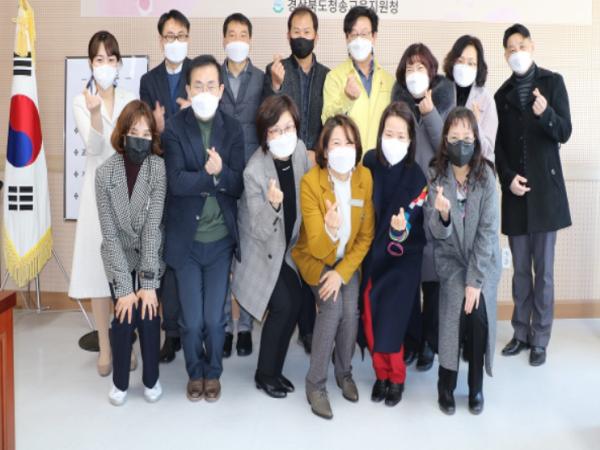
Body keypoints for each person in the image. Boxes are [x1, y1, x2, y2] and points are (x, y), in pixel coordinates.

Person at [162, 55, 245, 402]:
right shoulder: (174, 128)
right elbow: (176, 182)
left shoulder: (233, 128)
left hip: (220, 241)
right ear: (188, 89)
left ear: (221, 90)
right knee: (192, 321)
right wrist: (211, 178)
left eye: (212, 85)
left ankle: (213, 373)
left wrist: (221, 173)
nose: (205, 91)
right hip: (187, 242)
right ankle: (194, 372)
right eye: (198, 85)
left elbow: (237, 184)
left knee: (214, 320)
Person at [495, 24, 572, 366]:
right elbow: (498, 149)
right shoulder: (501, 96)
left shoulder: (553, 83)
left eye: (521, 46)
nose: (517, 53)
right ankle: (520, 333)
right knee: (520, 273)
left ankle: (540, 337)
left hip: (545, 195)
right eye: (510, 49)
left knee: (545, 272)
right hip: (515, 194)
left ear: (532, 46)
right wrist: (507, 179)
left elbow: (565, 131)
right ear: (505, 54)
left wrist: (546, 114)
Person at [292, 115, 375, 420]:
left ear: (357, 148)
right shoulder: (310, 182)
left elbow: (365, 237)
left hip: (346, 261)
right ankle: (315, 383)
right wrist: (330, 228)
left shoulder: (364, 178)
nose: (343, 149)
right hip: (316, 259)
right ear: (325, 151)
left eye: (349, 143)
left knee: (351, 310)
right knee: (333, 307)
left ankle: (344, 372)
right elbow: (315, 246)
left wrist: (341, 273)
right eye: (336, 143)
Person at [231, 95, 311, 398]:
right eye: (275, 130)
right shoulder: (254, 171)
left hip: (286, 248)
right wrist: (273, 205)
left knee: (295, 300)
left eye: (288, 127)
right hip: (259, 252)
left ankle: (274, 370)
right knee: (284, 304)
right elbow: (260, 230)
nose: (282, 135)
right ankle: (265, 374)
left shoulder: (300, 151)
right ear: (265, 134)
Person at [425, 107, 501, 415]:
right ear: (445, 140)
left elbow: (488, 233)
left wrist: (475, 281)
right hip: (451, 261)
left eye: (467, 137)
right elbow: (434, 231)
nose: (461, 143)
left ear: (476, 140)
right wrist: (443, 215)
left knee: (478, 314)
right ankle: (446, 382)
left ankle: (475, 385)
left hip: (483, 263)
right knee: (453, 309)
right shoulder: (436, 176)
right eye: (454, 137)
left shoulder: (487, 177)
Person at [69, 31, 137, 377]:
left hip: (128, 191)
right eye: (99, 59)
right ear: (90, 64)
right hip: (97, 197)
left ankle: (127, 342)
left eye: (111, 59)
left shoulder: (129, 99)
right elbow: (95, 148)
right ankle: (106, 347)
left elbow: (134, 146)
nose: (105, 65)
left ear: (119, 63)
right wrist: (96, 114)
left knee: (126, 271)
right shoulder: (81, 101)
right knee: (99, 274)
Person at [263, 5, 330, 354]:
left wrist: (319, 151)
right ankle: (289, 319)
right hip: (283, 171)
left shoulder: (329, 76)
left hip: (316, 172)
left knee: (310, 244)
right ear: (287, 34)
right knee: (288, 243)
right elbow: (265, 117)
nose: (301, 37)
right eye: (296, 31)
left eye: (307, 31)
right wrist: (274, 86)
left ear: (316, 35)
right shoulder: (275, 71)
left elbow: (332, 123)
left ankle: (308, 327)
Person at [96, 100, 166, 406]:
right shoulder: (104, 174)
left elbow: (153, 228)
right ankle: (120, 382)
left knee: (149, 314)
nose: (140, 138)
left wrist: (147, 283)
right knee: (124, 316)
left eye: (146, 133)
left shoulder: (158, 168)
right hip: (118, 255)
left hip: (149, 253)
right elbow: (109, 234)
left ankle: (152, 379)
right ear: (123, 134)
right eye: (134, 132)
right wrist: (125, 289)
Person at [392, 43, 455, 371]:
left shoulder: (444, 99)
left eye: (421, 67)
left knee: (431, 276)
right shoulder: (398, 103)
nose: (414, 74)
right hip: (405, 194)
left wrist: (430, 113)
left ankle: (430, 342)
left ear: (431, 72)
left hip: (433, 194)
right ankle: (411, 339)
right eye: (409, 68)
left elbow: (445, 147)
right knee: (407, 274)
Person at [361, 102, 428, 407]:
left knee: (393, 318)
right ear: (380, 134)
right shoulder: (369, 162)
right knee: (372, 317)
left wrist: (401, 230)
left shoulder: (417, 177)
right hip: (372, 255)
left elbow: (413, 219)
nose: (394, 141)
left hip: (403, 258)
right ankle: (380, 374)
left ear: (411, 140)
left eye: (401, 136)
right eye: (389, 134)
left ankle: (396, 377)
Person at [139, 9, 192, 364]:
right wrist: (160, 126)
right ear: (161, 40)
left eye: (180, 36)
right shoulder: (149, 79)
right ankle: (169, 332)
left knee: (190, 255)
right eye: (169, 36)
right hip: (160, 175)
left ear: (188, 38)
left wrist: (175, 122)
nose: (175, 42)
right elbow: (145, 131)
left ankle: (192, 328)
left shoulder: (199, 72)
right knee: (165, 257)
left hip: (191, 176)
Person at [219, 12, 265, 358]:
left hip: (252, 178)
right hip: (219, 175)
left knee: (248, 254)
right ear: (224, 40)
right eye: (231, 34)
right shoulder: (211, 77)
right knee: (222, 253)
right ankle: (223, 327)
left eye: (243, 34)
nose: (237, 40)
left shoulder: (262, 79)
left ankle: (246, 326)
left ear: (250, 40)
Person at [321, 6, 394, 152]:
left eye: (364, 34)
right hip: (348, 158)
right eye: (354, 34)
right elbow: (327, 121)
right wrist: (346, 98)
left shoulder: (389, 81)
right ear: (347, 38)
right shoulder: (334, 77)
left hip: (380, 160)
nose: (359, 40)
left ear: (374, 37)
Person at [443, 35, 498, 162]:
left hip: (476, 169)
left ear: (478, 67)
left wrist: (475, 124)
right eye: (460, 61)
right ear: (452, 62)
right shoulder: (441, 91)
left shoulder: (486, 99)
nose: (464, 67)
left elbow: (488, 150)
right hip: (445, 168)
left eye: (471, 63)